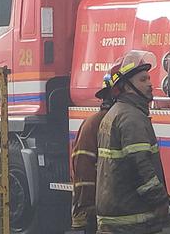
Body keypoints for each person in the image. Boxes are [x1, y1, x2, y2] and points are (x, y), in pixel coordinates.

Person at [96, 50, 170, 234]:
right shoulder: (131, 117)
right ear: (127, 86)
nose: (150, 84)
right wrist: (160, 201)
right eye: (143, 80)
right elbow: (139, 166)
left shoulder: (115, 113)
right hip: (132, 219)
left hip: (115, 216)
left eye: (149, 78)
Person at [72, 72, 116, 234]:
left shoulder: (123, 121)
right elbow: (83, 167)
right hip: (95, 211)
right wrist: (85, 208)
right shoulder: (94, 124)